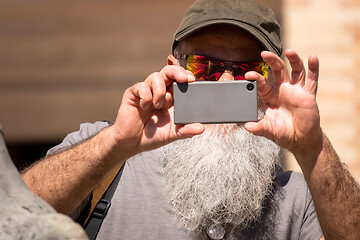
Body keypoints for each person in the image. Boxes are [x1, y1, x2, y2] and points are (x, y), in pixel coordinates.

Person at [22, 0, 360, 239]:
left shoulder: (298, 200)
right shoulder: (107, 159)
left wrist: (313, 146)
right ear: (174, 67)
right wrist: (114, 143)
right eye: (206, 67)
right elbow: (13, 217)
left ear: (270, 79)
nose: (227, 83)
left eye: (248, 72)